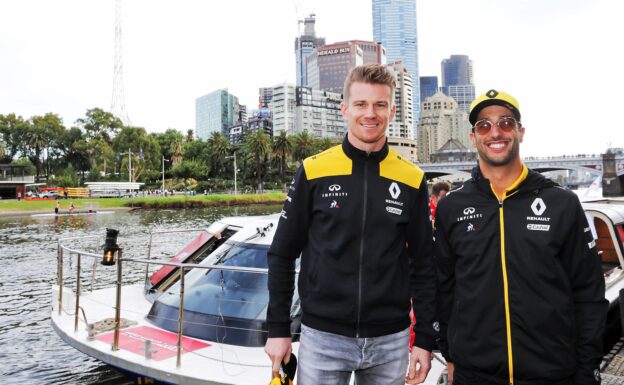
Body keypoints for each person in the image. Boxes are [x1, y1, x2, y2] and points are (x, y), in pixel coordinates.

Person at [265, 64, 437, 385]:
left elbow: (424, 264)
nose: (370, 113)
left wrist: (425, 338)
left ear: (392, 110)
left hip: (391, 339)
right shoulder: (314, 170)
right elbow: (282, 253)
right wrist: (278, 329)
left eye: (380, 104)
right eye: (360, 104)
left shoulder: (412, 178)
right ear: (345, 109)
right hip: (323, 337)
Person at [434, 89, 607, 385]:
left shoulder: (561, 203)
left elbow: (588, 293)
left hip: (553, 374)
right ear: (473, 137)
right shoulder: (452, 207)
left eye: (505, 123)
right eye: (484, 126)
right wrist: (451, 355)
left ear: (520, 132)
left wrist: (587, 369)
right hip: (476, 375)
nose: (495, 132)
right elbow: (444, 288)